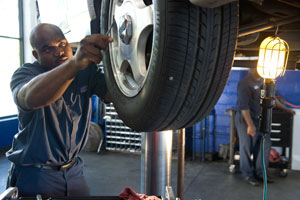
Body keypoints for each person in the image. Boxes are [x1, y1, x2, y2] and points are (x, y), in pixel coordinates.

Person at [6, 23, 113, 197]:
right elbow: (29, 98)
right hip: (35, 174)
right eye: (48, 49)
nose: (59, 52)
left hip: (74, 170)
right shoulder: (26, 74)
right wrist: (75, 63)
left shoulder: (85, 72)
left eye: (62, 44)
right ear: (36, 54)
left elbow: (117, 95)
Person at [235, 68, 295, 186]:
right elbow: (244, 108)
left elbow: (272, 99)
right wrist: (250, 126)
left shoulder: (264, 81)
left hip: (260, 118)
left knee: (265, 144)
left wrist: (287, 109)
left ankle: (260, 173)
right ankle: (248, 174)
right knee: (247, 147)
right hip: (246, 120)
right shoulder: (245, 83)